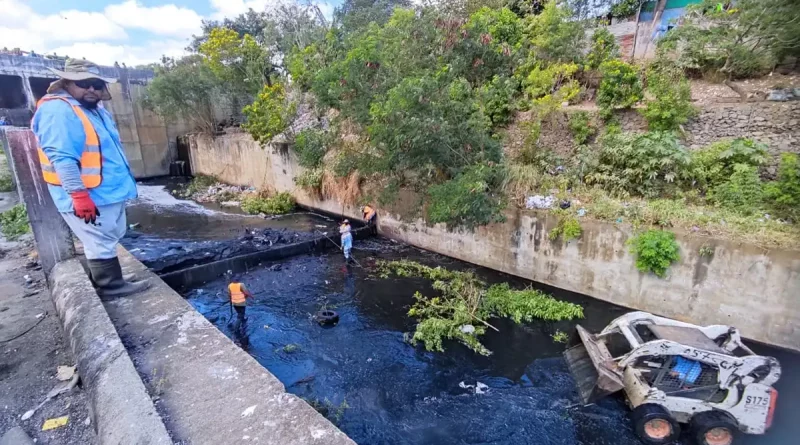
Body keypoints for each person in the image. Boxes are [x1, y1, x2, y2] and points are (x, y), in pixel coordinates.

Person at [31, 58, 148, 298]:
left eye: (96, 84)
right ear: (67, 82)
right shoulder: (59, 110)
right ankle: (110, 286)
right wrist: (79, 195)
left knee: (108, 236)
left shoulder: (92, 109)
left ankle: (111, 278)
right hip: (89, 195)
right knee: (99, 239)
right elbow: (62, 158)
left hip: (106, 192)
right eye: (84, 84)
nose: (92, 90)